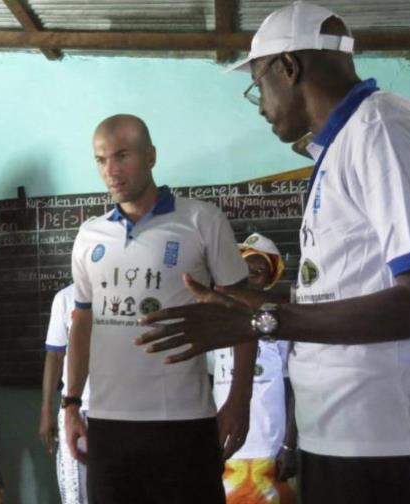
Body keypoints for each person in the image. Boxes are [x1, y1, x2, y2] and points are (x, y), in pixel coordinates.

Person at [138, 3, 410, 503]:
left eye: (258, 84)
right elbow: (350, 291)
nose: (259, 105)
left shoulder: (381, 128)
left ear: (289, 67)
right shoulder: (345, 143)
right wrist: (244, 306)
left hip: (396, 446)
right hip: (351, 441)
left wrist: (263, 323)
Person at [63, 114, 253, 503]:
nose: (110, 171)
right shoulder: (89, 236)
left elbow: (243, 313)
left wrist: (239, 398)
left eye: (122, 156)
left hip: (183, 421)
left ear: (150, 156)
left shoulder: (202, 220)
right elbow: (82, 321)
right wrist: (70, 404)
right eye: (100, 160)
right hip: (108, 424)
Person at [206, 233, 295, 504]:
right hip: (225, 447)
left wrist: (290, 444)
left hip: (270, 446)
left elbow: (293, 389)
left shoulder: (282, 325)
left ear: (270, 280)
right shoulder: (215, 323)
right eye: (245, 269)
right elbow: (207, 385)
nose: (251, 276)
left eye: (259, 272)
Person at [39, 283, 90, 504]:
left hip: (117, 410)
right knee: (76, 494)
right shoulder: (65, 298)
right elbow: (55, 356)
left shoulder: (122, 294)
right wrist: (46, 411)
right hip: (76, 410)